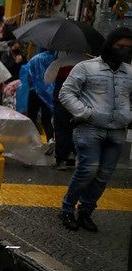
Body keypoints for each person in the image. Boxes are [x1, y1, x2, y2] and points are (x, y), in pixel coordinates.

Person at [56, 27, 132, 232]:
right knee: (88, 170)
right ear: (110, 45)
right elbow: (66, 93)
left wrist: (128, 115)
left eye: (128, 48)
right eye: (120, 47)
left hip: (117, 131)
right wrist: (84, 112)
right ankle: (67, 208)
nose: (124, 51)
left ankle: (86, 212)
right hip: (89, 128)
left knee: (103, 175)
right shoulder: (86, 67)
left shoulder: (130, 72)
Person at [45, 50, 86, 169]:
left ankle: (61, 159)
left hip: (62, 101)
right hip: (81, 101)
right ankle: (72, 156)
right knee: (76, 128)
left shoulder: (60, 62)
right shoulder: (88, 64)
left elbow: (47, 79)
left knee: (61, 129)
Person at [24, 49, 56, 148]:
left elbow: (28, 76)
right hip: (48, 93)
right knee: (46, 119)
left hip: (34, 92)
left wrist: (33, 87)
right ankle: (50, 139)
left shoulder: (34, 59)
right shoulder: (54, 60)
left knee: (32, 117)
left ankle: (32, 140)